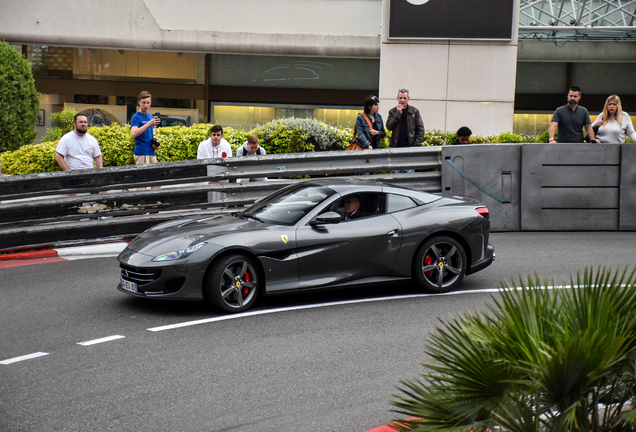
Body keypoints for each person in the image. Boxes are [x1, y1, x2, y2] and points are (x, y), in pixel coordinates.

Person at [130, 91, 161, 164]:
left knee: (155, 174)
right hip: (141, 152)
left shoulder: (150, 116)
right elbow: (134, 134)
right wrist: (148, 124)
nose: (146, 105)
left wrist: (155, 143)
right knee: (144, 175)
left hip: (151, 152)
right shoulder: (135, 117)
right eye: (144, 103)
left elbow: (149, 134)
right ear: (139, 102)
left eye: (148, 103)